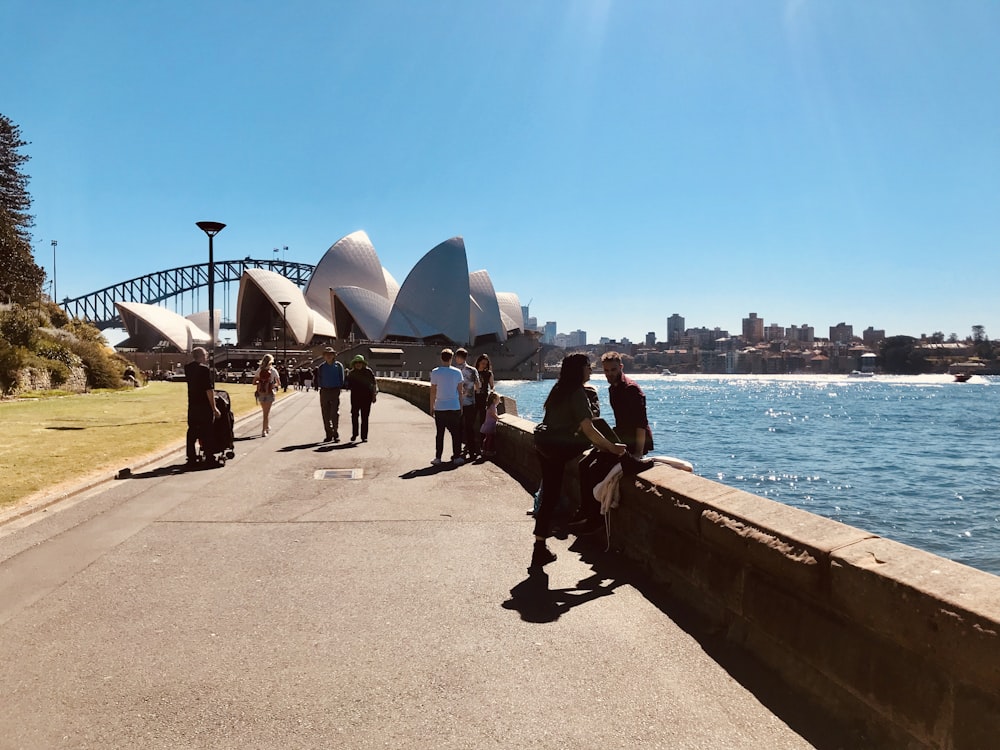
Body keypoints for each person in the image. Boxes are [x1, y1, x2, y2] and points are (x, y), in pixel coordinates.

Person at [531, 353, 626, 569]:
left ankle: (539, 549)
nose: (591, 370)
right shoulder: (576, 393)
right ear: (579, 369)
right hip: (559, 447)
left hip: (545, 446)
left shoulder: (558, 389)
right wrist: (611, 447)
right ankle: (627, 459)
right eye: (588, 366)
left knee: (550, 497)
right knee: (599, 424)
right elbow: (588, 429)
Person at [570, 352, 655, 533]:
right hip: (619, 437)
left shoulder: (632, 390)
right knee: (584, 464)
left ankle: (596, 518)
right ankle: (586, 509)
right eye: (606, 371)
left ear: (621, 368)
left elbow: (641, 424)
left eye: (613, 370)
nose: (610, 374)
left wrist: (637, 455)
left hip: (633, 442)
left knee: (596, 470)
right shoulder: (613, 389)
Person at [429, 348, 465, 466]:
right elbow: (460, 391)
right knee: (456, 434)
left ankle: (438, 458)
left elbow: (433, 391)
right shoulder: (457, 372)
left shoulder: (435, 372)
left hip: (440, 407)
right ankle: (457, 457)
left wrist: (431, 406)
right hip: (454, 406)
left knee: (440, 434)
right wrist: (461, 406)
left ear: (441, 358)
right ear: (451, 358)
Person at [185, 347, 221, 466]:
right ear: (202, 355)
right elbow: (208, 390)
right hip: (204, 405)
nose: (206, 357)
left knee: (192, 431)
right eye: (205, 355)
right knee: (207, 431)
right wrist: (214, 407)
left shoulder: (188, 368)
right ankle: (209, 456)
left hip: (193, 404)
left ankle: (191, 456)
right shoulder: (204, 370)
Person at [453, 348, 481, 458]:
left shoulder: (454, 370)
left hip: (456, 403)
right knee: (470, 428)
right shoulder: (473, 370)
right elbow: (478, 386)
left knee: (458, 428)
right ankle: (472, 451)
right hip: (470, 403)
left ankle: (457, 452)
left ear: (459, 357)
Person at [346, 354, 378, 442]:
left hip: (366, 398)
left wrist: (374, 395)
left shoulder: (368, 372)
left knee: (365, 417)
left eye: (360, 362)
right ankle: (354, 434)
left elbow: (374, 384)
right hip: (355, 397)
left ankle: (364, 436)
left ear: (363, 363)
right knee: (354, 416)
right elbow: (348, 385)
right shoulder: (352, 373)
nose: (358, 364)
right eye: (356, 363)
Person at [316, 346, 346, 442]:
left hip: (335, 390)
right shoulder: (321, 367)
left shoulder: (338, 366)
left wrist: (339, 388)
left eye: (330, 354)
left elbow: (342, 378)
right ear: (324, 356)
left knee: (334, 413)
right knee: (325, 413)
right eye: (326, 354)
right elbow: (319, 378)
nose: (328, 356)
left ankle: (335, 431)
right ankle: (328, 433)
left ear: (334, 355)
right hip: (324, 391)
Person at [253, 353, 280, 437]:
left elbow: (253, 382)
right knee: (266, 413)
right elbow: (279, 383)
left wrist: (260, 382)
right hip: (269, 393)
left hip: (260, 393)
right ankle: (264, 430)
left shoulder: (259, 370)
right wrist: (272, 385)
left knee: (264, 412)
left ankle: (267, 427)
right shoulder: (273, 370)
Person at [473, 353, 495, 453]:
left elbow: (492, 386)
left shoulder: (489, 374)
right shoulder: (474, 372)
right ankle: (471, 443)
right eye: (482, 363)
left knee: (483, 422)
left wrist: (492, 393)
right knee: (471, 421)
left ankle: (481, 443)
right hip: (473, 399)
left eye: (485, 364)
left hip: (483, 399)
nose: (484, 365)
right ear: (478, 362)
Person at [479, 391, 500, 457]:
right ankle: (488, 451)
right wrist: (498, 418)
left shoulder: (489, 405)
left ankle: (484, 450)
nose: (499, 401)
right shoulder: (492, 406)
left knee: (487, 438)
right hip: (490, 425)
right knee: (490, 439)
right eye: (498, 400)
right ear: (494, 400)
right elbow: (493, 414)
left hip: (488, 423)